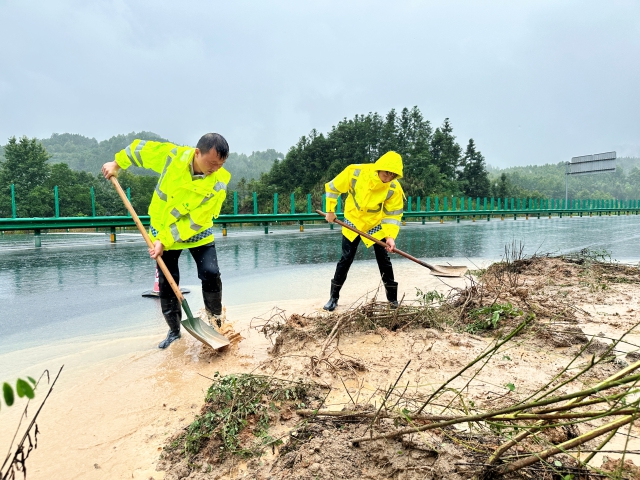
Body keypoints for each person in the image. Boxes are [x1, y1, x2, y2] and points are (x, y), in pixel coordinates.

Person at [102, 133, 230, 349]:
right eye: (212, 163)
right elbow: (140, 149)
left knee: (210, 272)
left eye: (220, 165)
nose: (215, 169)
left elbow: (195, 220)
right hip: (162, 229)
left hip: (196, 231)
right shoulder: (173, 156)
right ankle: (174, 331)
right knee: (167, 282)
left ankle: (216, 325)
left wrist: (165, 239)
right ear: (197, 153)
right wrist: (116, 164)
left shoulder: (218, 183)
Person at [323, 151, 404, 311]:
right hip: (352, 221)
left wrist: (390, 237)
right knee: (346, 258)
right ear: (379, 168)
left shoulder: (394, 188)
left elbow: (392, 214)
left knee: (384, 261)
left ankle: (393, 301)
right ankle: (333, 298)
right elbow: (333, 187)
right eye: (386, 173)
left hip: (374, 225)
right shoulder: (356, 172)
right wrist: (330, 211)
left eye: (392, 176)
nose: (387, 178)